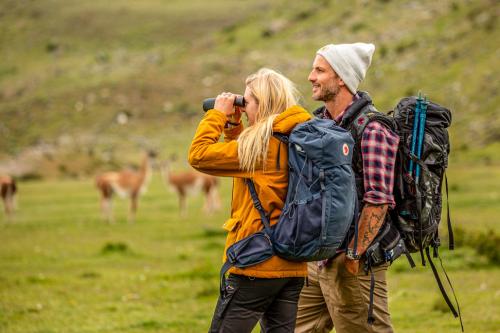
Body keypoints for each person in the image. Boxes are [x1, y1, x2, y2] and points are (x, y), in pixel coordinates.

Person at [188, 68, 312, 332]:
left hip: (256, 263)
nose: (244, 107)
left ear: (263, 103)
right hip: (293, 266)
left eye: (248, 101)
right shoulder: (298, 135)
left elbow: (199, 155)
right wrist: (234, 127)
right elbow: (250, 171)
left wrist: (217, 115)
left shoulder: (264, 146)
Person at [295, 43, 399, 333]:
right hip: (317, 259)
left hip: (352, 263)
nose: (310, 77)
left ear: (341, 77)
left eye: (319, 70)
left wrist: (353, 255)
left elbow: (379, 200)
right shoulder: (319, 125)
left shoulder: (373, 129)